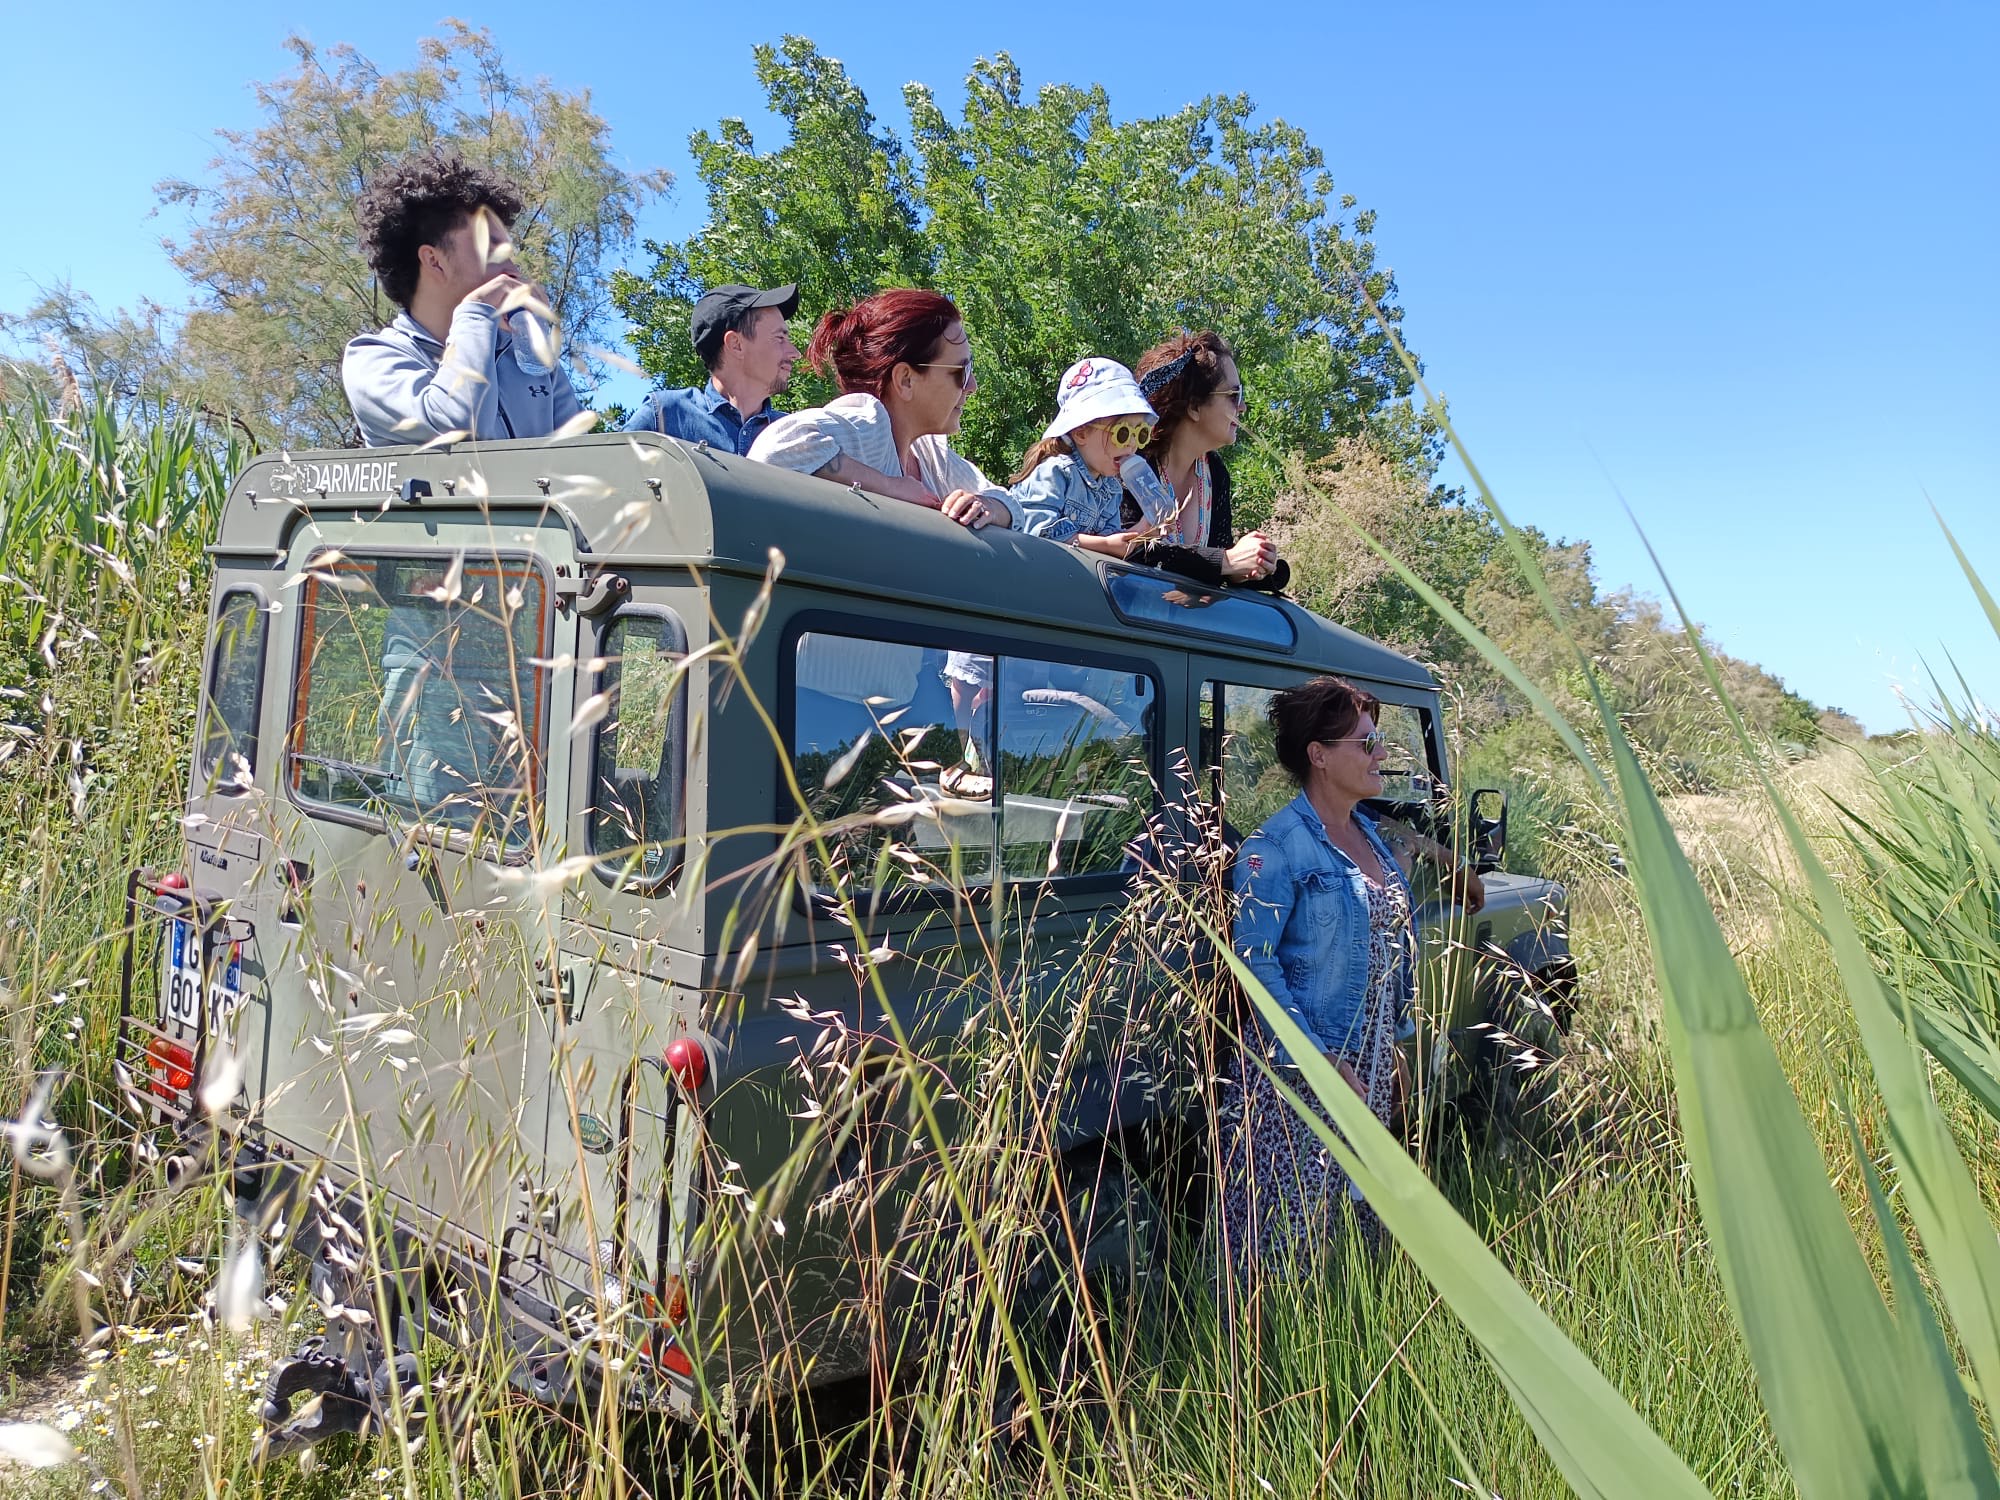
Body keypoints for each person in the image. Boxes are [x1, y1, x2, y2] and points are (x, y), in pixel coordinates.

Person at [1220, 676, 1445, 1276]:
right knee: (1284, 1249)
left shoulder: (1368, 833)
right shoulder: (1276, 847)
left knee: (1358, 1231)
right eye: (1365, 743)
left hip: (1366, 1067)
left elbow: (1387, 948)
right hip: (1301, 1078)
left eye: (1378, 740)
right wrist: (1319, 1061)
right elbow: (1255, 963)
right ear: (1319, 754)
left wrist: (1395, 1041)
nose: (1381, 753)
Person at [343, 150, 582, 448]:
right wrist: (476, 312)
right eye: (492, 249)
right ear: (434, 261)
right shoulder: (372, 359)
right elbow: (458, 427)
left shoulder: (523, 355)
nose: (513, 269)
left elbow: (583, 452)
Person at [747, 289, 1018, 532]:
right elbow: (775, 448)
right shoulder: (870, 425)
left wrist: (988, 507)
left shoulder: (929, 454)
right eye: (961, 371)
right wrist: (888, 486)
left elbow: (1012, 505)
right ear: (905, 380)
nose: (972, 386)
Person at [1126, 332, 1288, 592]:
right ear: (1193, 406)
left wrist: (1250, 567)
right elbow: (1131, 551)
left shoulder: (1215, 473)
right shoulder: (1131, 463)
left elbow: (1216, 564)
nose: (1242, 407)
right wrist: (1226, 561)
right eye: (1234, 395)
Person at [620, 284, 802, 452]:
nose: (795, 353)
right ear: (736, 345)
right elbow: (609, 471)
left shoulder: (796, 434)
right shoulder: (664, 415)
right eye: (780, 338)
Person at [1009, 357, 1159, 556]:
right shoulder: (1054, 473)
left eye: (1141, 433)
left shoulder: (1112, 489)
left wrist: (1142, 531)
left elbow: (1110, 541)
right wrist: (1105, 545)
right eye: (1122, 433)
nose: (1132, 444)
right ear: (1081, 433)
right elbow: (1038, 532)